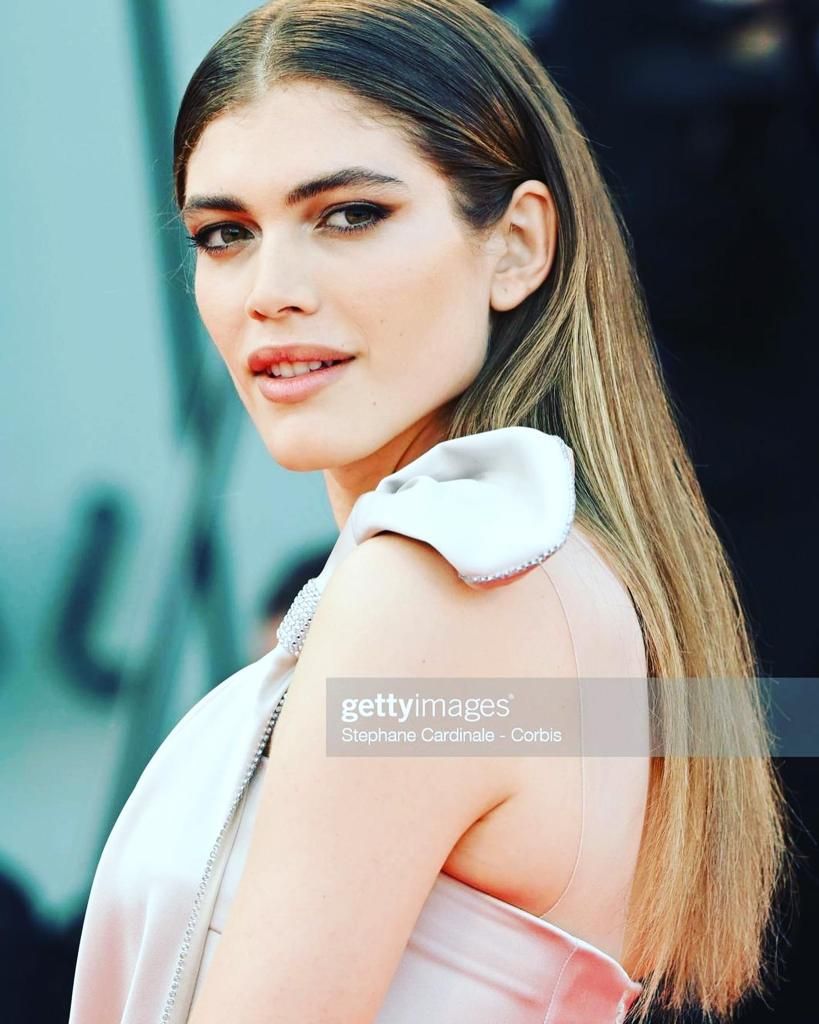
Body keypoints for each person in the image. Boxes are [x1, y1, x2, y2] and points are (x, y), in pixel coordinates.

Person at [68, 1, 790, 1022]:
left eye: (350, 214)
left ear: (517, 245)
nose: (271, 290)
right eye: (224, 234)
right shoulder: (552, 571)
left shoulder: (436, 586)